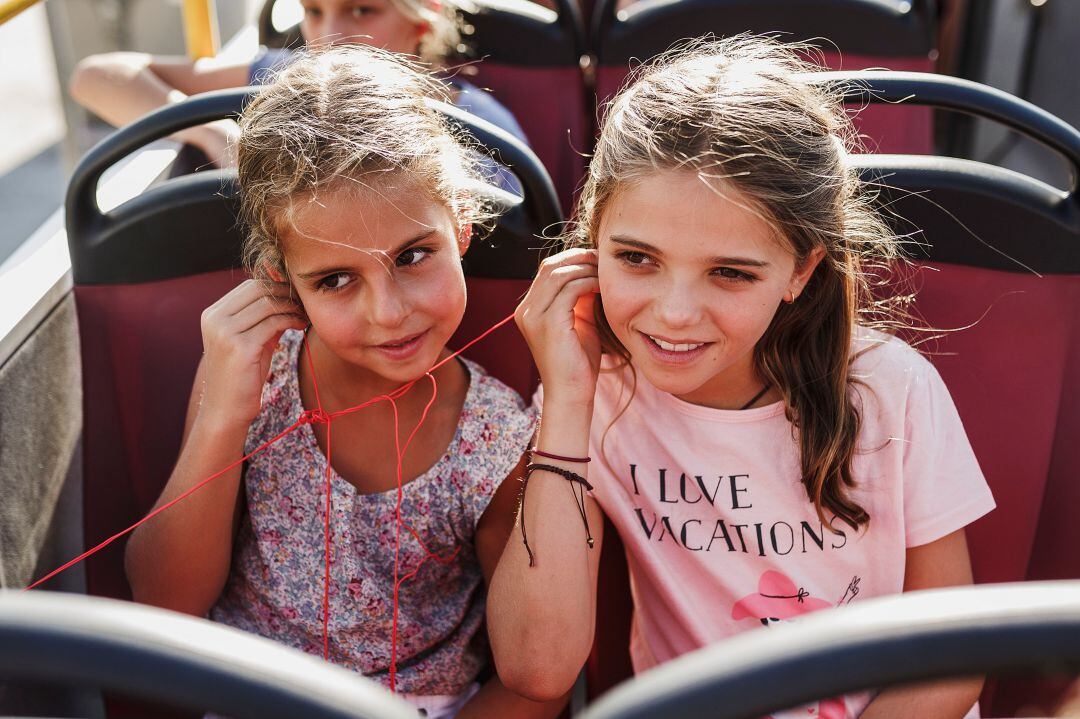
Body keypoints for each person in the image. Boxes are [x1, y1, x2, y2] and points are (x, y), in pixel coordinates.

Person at [489, 36, 995, 718]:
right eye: (636, 257)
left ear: (800, 270)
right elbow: (539, 667)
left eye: (729, 272)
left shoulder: (890, 391)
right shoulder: (595, 393)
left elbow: (952, 660)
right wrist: (568, 402)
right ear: (590, 247)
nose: (673, 313)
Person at [124, 46, 560, 719]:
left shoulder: (498, 439)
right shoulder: (251, 375)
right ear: (281, 283)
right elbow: (164, 600)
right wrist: (222, 418)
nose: (388, 312)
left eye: (413, 256)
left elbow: (532, 677)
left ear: (461, 228)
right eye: (335, 280)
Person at [68, 0, 527, 169]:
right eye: (313, 11)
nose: (327, 37)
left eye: (362, 10)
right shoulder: (288, 78)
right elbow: (97, 77)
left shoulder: (477, 125)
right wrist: (212, 132)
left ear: (421, 21)